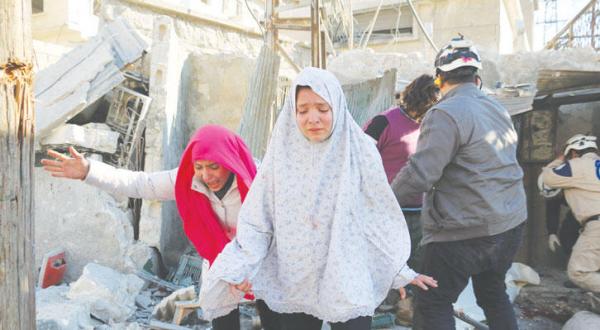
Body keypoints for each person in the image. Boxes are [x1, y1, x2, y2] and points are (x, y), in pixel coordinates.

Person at [197, 67, 437, 330]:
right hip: (291, 276)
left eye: (322, 109)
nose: (313, 119)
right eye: (303, 110)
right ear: (292, 112)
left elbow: (376, 216)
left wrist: (396, 269)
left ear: (336, 105)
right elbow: (258, 221)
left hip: (345, 272)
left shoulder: (360, 151)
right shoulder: (280, 156)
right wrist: (240, 266)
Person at [41, 125, 279, 330]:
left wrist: (250, 269)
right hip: (218, 261)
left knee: (273, 314)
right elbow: (140, 183)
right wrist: (89, 171)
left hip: (260, 259)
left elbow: (274, 229)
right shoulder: (186, 180)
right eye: (199, 166)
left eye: (214, 166)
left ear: (229, 161)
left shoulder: (259, 181)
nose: (206, 175)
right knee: (222, 319)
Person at [391, 35, 527, 330]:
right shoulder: (498, 109)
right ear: (477, 79)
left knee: (433, 302)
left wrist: (385, 203)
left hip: (462, 232)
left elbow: (420, 174)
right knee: (493, 293)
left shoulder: (443, 113)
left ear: (439, 80)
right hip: (509, 224)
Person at [363, 74, 440, 270]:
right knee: (388, 267)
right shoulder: (383, 122)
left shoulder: (431, 126)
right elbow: (359, 159)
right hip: (387, 211)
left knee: (417, 268)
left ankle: (410, 301)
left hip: (420, 213)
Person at [541, 134, 600, 292]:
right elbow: (552, 201)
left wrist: (559, 159)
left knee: (579, 273)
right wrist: (552, 231)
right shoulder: (594, 167)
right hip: (589, 222)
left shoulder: (577, 165)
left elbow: (547, 178)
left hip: (596, 223)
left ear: (573, 153)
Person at [538, 174, 581, 257]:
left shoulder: (579, 183)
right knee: (567, 237)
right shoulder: (551, 183)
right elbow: (552, 206)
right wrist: (552, 233)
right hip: (578, 210)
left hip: (592, 206)